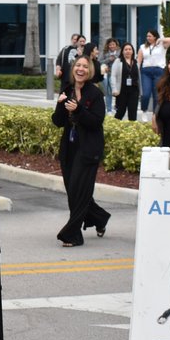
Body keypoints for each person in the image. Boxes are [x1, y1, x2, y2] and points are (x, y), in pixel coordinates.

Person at [51, 55, 110, 247]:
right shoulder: (67, 90)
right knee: (74, 191)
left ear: (90, 70)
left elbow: (96, 122)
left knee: (79, 190)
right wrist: (61, 106)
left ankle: (73, 234)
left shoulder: (95, 93)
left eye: (85, 66)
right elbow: (58, 122)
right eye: (78, 65)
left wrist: (78, 110)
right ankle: (99, 217)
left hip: (88, 149)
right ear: (73, 68)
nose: (81, 69)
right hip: (69, 148)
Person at [138, 29, 170, 120]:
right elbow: (139, 61)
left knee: (157, 95)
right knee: (145, 94)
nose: (148, 38)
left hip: (159, 71)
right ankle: (144, 110)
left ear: (155, 36)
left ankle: (155, 114)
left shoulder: (162, 45)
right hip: (146, 72)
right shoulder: (142, 47)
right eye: (147, 36)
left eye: (150, 36)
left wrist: (160, 40)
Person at [112, 42, 140, 121]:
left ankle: (132, 130)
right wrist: (114, 89)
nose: (128, 51)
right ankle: (114, 129)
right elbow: (113, 76)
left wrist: (141, 91)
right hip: (122, 90)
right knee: (121, 111)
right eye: (126, 49)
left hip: (134, 90)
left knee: (133, 112)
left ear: (132, 51)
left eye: (129, 49)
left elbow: (138, 77)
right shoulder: (118, 61)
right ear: (122, 51)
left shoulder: (136, 62)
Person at [101, 37, 120, 114]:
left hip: (118, 75)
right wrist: (109, 59)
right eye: (110, 45)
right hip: (109, 74)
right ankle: (109, 109)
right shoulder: (105, 53)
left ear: (116, 45)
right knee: (109, 92)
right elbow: (100, 61)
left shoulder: (120, 52)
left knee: (118, 91)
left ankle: (117, 107)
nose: (112, 46)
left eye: (113, 44)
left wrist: (115, 59)